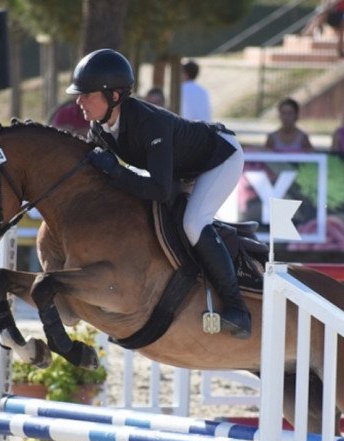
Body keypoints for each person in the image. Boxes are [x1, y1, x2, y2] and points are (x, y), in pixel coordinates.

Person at [66, 49, 250, 339]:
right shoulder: (98, 128)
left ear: (113, 95)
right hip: (182, 168)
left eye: (86, 94)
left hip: (218, 158)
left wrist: (115, 171)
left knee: (193, 222)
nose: (78, 101)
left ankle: (237, 308)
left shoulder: (150, 124)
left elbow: (160, 190)